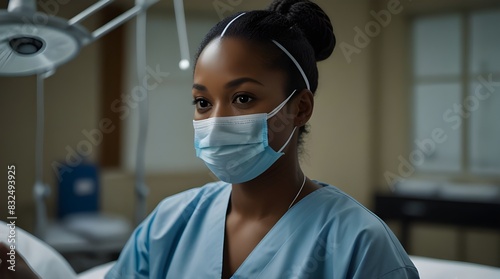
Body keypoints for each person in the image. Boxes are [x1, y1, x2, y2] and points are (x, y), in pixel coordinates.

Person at [106, 0, 419, 278]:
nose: (216, 123)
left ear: (301, 108)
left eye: (243, 98)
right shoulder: (167, 225)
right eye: (203, 102)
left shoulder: (360, 245)